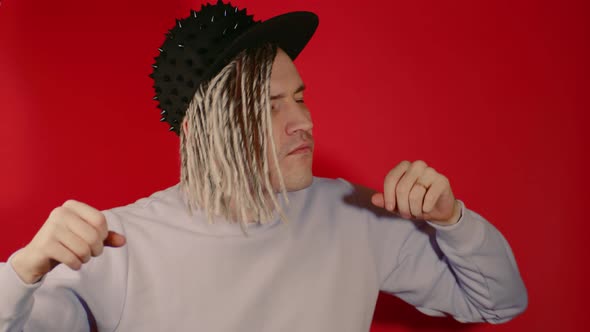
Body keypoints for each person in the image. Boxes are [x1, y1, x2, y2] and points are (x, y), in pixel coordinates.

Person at [0, 1, 528, 331]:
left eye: (300, 98)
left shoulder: (357, 217)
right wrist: (22, 271)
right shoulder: (117, 245)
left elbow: (499, 303)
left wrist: (451, 219)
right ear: (202, 132)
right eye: (270, 106)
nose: (303, 122)